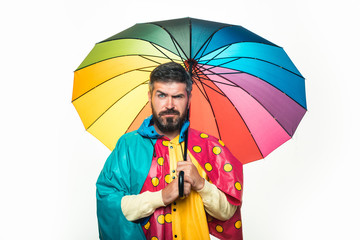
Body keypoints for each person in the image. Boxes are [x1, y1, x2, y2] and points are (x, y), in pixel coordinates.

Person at [96, 62, 243, 240]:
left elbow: (227, 212)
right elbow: (109, 204)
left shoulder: (210, 147)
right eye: (162, 95)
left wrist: (201, 185)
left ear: (188, 99)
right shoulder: (128, 146)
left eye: (178, 96)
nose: (170, 105)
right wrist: (162, 196)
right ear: (150, 97)